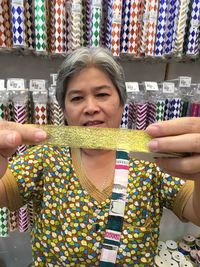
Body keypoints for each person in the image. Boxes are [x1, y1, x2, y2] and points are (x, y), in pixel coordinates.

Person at [0, 47, 199, 267]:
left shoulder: (151, 160)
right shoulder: (44, 159)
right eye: (76, 98)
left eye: (102, 94)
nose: (91, 107)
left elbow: (194, 211)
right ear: (64, 110)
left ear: (122, 102)